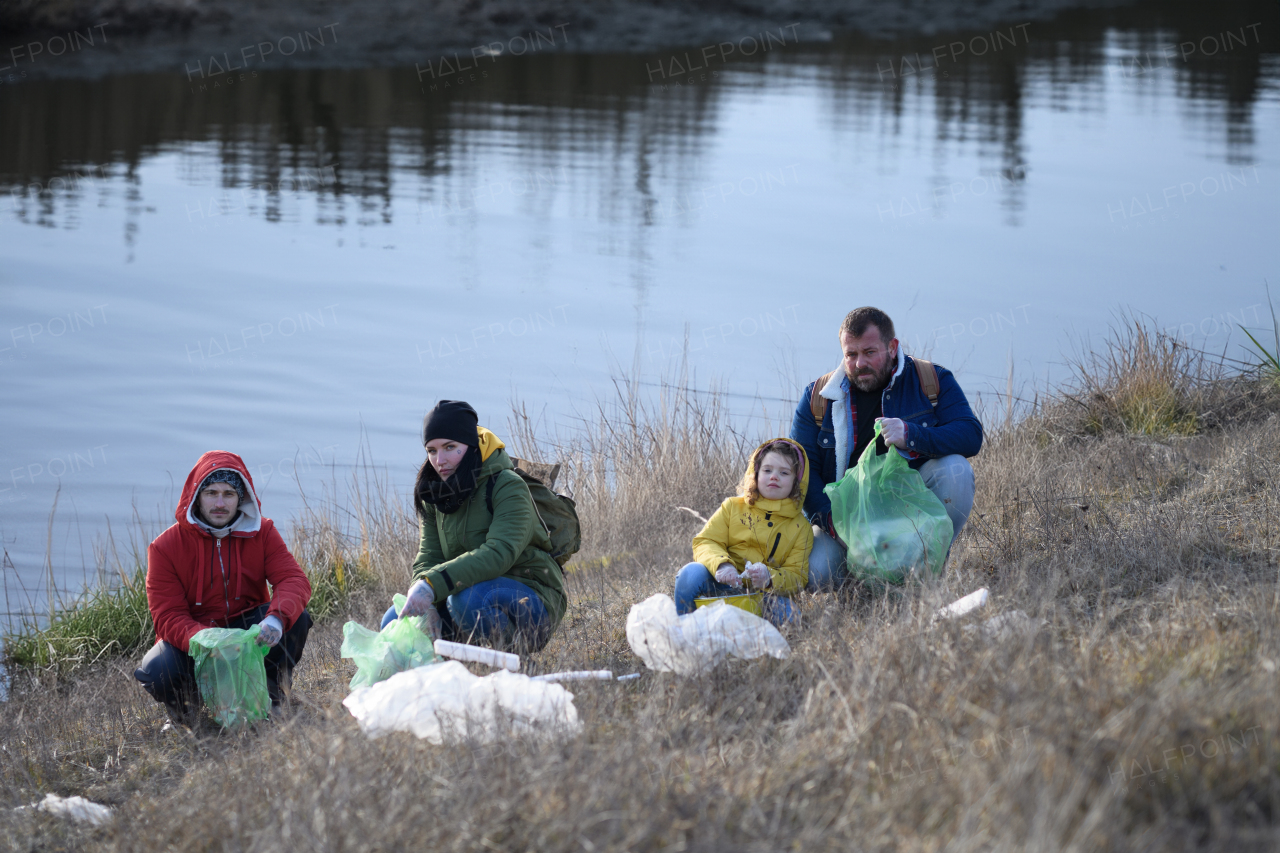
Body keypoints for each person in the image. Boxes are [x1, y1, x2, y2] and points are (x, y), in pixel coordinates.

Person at [791, 307, 983, 591]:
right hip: (845, 519)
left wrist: (911, 434)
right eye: (851, 355)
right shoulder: (817, 397)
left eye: (870, 352)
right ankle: (864, 581)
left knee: (956, 470)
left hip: (909, 510)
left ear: (892, 348)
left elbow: (971, 434)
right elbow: (802, 471)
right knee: (814, 576)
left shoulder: (932, 379)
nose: (859, 364)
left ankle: (925, 568)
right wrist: (836, 524)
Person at [135, 451, 313, 724]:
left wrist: (276, 619)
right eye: (211, 493)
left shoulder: (262, 532)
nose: (220, 503)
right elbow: (167, 616)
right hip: (197, 640)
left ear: (241, 498)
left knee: (296, 619)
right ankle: (188, 714)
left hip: (249, 633)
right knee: (157, 667)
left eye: (229, 494)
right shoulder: (164, 548)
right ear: (196, 496)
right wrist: (206, 640)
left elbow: (293, 580)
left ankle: (272, 697)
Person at [383, 400, 566, 652]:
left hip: (531, 596)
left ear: (470, 445)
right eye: (431, 450)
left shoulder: (507, 485)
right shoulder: (434, 492)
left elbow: (498, 554)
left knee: (468, 600)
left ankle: (515, 660)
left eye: (450, 447)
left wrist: (433, 585)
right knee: (393, 620)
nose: (440, 460)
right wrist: (428, 601)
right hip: (460, 595)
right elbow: (428, 556)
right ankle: (445, 670)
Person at [673, 438, 813, 626]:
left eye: (784, 472)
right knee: (690, 574)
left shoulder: (801, 527)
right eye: (767, 470)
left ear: (796, 482)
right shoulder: (732, 507)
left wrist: (769, 578)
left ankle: (755, 633)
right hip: (720, 585)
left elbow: (797, 577)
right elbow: (705, 541)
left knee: (791, 616)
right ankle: (684, 627)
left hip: (762, 597)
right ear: (755, 473)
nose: (774, 477)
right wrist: (722, 565)